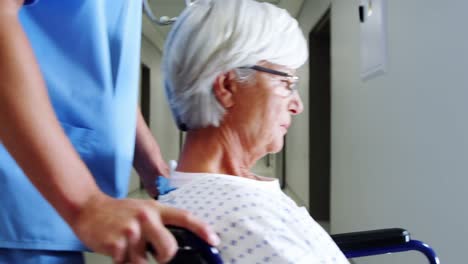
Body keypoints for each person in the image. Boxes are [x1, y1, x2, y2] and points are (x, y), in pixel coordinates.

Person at [0, 0, 219, 263]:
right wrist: (84, 204)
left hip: (50, 206)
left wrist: (149, 159)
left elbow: (101, 61)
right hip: (20, 187)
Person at [158, 0, 349, 263]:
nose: (297, 105)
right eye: (285, 82)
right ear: (227, 86)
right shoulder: (245, 219)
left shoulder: (214, 194)